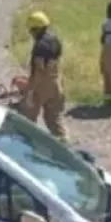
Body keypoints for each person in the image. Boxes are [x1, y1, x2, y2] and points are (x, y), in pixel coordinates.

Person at [18, 11, 68, 141]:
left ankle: (27, 144)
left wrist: (29, 90)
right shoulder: (55, 40)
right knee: (54, 118)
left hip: (41, 86)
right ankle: (64, 142)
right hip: (56, 83)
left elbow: (40, 71)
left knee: (26, 117)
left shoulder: (40, 46)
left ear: (35, 29)